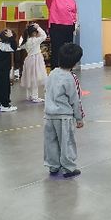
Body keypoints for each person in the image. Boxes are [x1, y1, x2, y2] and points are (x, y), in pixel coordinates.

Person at [43, 43, 84, 178]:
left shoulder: (52, 73)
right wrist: (79, 118)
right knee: (67, 142)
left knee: (51, 141)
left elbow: (47, 90)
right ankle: (68, 168)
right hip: (64, 116)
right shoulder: (71, 78)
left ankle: (53, 166)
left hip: (49, 115)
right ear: (75, 62)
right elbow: (75, 99)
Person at [44, 0, 78, 68]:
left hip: (69, 26)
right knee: (57, 49)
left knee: (68, 50)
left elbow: (74, 11)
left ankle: (67, 69)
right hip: (57, 27)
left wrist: (75, 23)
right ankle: (56, 70)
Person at [19, 23, 47, 103]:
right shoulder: (35, 40)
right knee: (35, 79)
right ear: (34, 33)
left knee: (30, 78)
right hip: (36, 60)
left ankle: (29, 95)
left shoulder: (26, 41)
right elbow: (44, 36)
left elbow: (20, 45)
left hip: (28, 60)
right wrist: (38, 27)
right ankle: (35, 97)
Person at [0, 29, 18, 112]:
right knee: (5, 87)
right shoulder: (5, 46)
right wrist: (11, 37)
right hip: (3, 70)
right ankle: (5, 105)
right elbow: (14, 47)